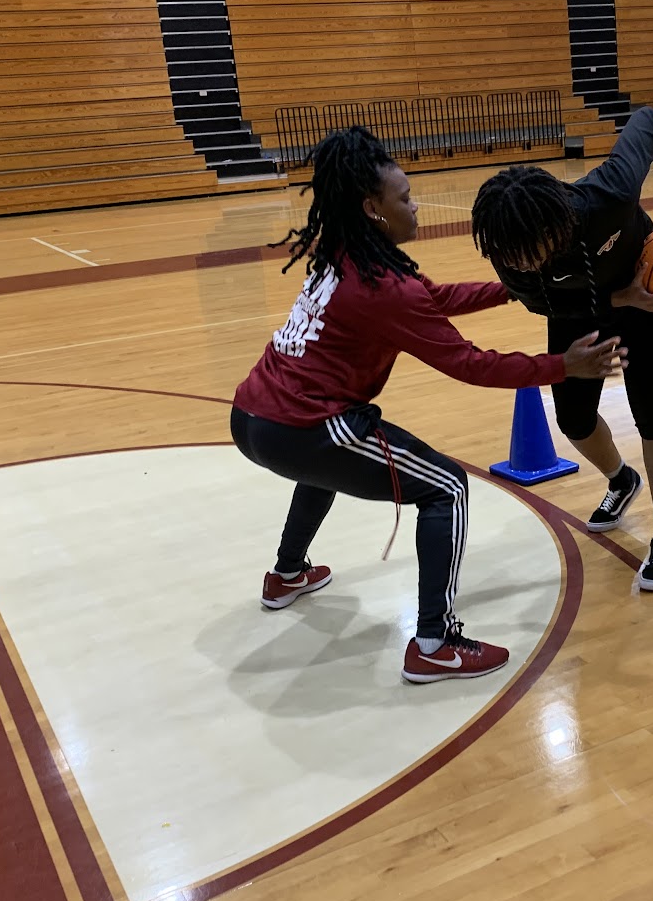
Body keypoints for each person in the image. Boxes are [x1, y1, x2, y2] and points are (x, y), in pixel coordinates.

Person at [230, 127, 625, 685]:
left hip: (252, 417)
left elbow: (433, 299)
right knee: (447, 488)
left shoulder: (344, 253)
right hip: (305, 426)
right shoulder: (385, 289)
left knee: (326, 467)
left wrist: (512, 288)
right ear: (372, 209)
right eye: (405, 198)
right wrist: (564, 365)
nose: (416, 207)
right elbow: (470, 364)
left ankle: (287, 574)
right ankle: (434, 644)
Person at [470, 105, 653, 593]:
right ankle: (621, 479)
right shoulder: (508, 250)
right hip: (578, 311)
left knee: (652, 414)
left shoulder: (609, 194)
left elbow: (650, 122)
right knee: (572, 419)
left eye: (527, 253)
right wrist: (617, 299)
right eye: (508, 257)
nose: (518, 265)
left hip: (648, 298)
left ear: (552, 228)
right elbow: (539, 302)